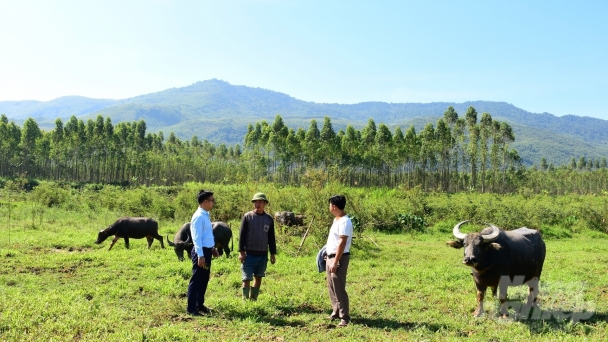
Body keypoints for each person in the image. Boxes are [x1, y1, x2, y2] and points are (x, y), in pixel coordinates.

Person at [238, 192, 277, 300]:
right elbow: (242, 235)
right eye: (256, 202)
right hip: (249, 254)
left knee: (258, 277)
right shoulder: (248, 217)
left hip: (262, 255)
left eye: (260, 202)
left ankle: (253, 299)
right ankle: (245, 301)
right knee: (246, 278)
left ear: (265, 203)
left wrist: (272, 253)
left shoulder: (269, 219)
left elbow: (271, 238)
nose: (258, 204)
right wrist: (241, 252)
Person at [187, 189, 219, 316]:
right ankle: (191, 308)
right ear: (205, 202)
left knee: (204, 278)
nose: (213, 203)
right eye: (212, 200)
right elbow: (196, 238)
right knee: (197, 279)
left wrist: (212, 248)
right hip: (200, 252)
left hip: (206, 251)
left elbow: (206, 235)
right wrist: (200, 255)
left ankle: (199, 304)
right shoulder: (198, 216)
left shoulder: (206, 214)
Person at [325, 194, 353, 327]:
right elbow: (334, 241)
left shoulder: (344, 221)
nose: (329, 207)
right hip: (331, 257)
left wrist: (336, 261)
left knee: (339, 286)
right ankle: (336, 311)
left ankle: (345, 317)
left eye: (330, 204)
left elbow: (342, 243)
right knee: (331, 285)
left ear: (334, 206)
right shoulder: (336, 220)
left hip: (339, 258)